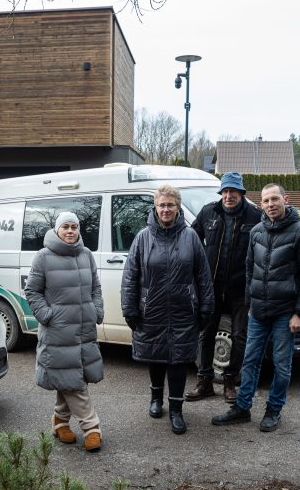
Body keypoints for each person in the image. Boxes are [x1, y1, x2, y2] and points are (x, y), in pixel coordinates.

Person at [213, 184, 300, 432]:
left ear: (286, 199)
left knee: (282, 364)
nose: (270, 204)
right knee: (250, 360)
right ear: (260, 204)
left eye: (274, 199)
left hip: (286, 312)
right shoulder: (257, 232)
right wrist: (249, 304)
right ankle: (242, 407)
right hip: (258, 311)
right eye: (265, 200)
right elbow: (250, 271)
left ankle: (274, 410)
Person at [121, 185, 213, 435]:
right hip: (152, 310)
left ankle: (176, 411)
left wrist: (205, 307)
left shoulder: (191, 237)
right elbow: (131, 276)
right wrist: (130, 308)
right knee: (155, 355)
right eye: (162, 205)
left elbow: (203, 275)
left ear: (178, 207)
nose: (166, 209)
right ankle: (156, 399)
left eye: (170, 204)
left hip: (184, 310)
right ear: (155, 207)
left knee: (179, 360)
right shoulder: (143, 237)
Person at [24, 212, 105, 451]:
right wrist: (48, 316)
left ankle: (60, 422)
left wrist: (97, 310)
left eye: (74, 227)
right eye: (65, 227)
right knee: (74, 383)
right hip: (58, 332)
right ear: (57, 230)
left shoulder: (86, 255)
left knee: (70, 377)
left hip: (83, 329)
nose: (70, 231)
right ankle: (92, 427)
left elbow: (96, 287)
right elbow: (32, 291)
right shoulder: (43, 257)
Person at [186, 172, 263, 403]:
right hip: (211, 286)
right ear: (221, 193)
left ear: (241, 193)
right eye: (225, 192)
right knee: (206, 334)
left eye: (234, 192)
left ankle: (230, 382)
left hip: (241, 289)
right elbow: (191, 238)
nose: (229, 196)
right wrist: (197, 268)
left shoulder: (255, 216)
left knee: (240, 336)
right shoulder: (209, 212)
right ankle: (205, 382)